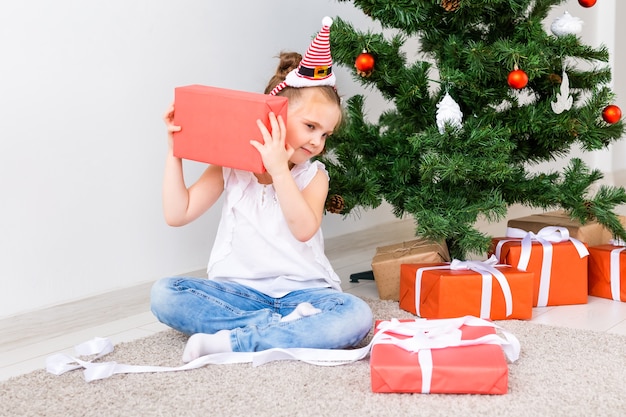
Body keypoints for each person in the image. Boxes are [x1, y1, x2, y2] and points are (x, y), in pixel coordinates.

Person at [150, 17, 373, 363]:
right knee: (164, 294)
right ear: (278, 117)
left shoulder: (315, 176)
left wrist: (279, 170)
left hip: (304, 295)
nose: (317, 141)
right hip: (239, 293)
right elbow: (177, 213)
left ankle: (236, 342)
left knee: (356, 316)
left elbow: (303, 229)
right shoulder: (231, 167)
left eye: (325, 134)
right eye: (310, 126)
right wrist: (173, 151)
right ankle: (278, 330)